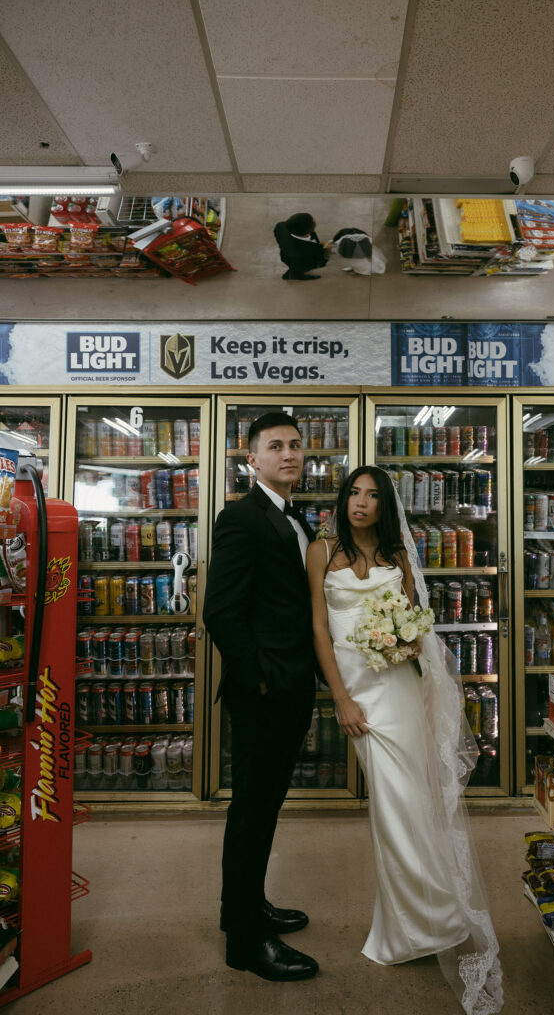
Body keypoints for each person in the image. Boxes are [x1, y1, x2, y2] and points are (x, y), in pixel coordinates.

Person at [306, 466, 503, 1014]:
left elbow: (416, 624)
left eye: (371, 495)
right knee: (390, 808)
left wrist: (410, 644)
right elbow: (320, 629)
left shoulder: (397, 550)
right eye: (354, 494)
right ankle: (425, 920)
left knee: (413, 803)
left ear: (384, 504)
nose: (360, 503)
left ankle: (420, 923)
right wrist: (340, 697)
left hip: (397, 686)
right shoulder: (321, 551)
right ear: (343, 499)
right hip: (360, 695)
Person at [203, 412, 319, 982]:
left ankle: (247, 906)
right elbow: (220, 611)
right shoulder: (242, 518)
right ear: (252, 460)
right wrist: (259, 679)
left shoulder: (296, 518)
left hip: (292, 686)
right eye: (275, 446)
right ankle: (246, 942)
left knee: (265, 808)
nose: (289, 454)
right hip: (265, 692)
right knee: (250, 813)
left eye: (295, 445)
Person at [273, 212, 328, 280]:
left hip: (286, 253)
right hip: (297, 261)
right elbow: (320, 256)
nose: (314, 221)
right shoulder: (312, 249)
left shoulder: (281, 226)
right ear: (309, 230)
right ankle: (294, 276)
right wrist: (324, 248)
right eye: (313, 221)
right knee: (318, 262)